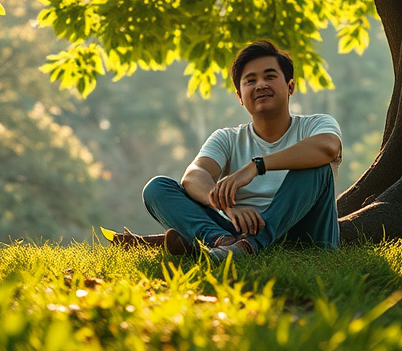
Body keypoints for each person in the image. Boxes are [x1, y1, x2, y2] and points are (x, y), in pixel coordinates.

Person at [115, 40, 342, 262]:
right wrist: (226, 205)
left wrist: (257, 165)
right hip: (238, 230)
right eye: (250, 81)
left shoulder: (316, 125)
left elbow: (328, 148)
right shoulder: (228, 138)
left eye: (270, 77)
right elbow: (194, 176)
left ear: (290, 86)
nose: (261, 85)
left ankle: (247, 247)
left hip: (307, 235)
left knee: (315, 166)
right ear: (240, 96)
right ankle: (222, 244)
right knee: (157, 188)